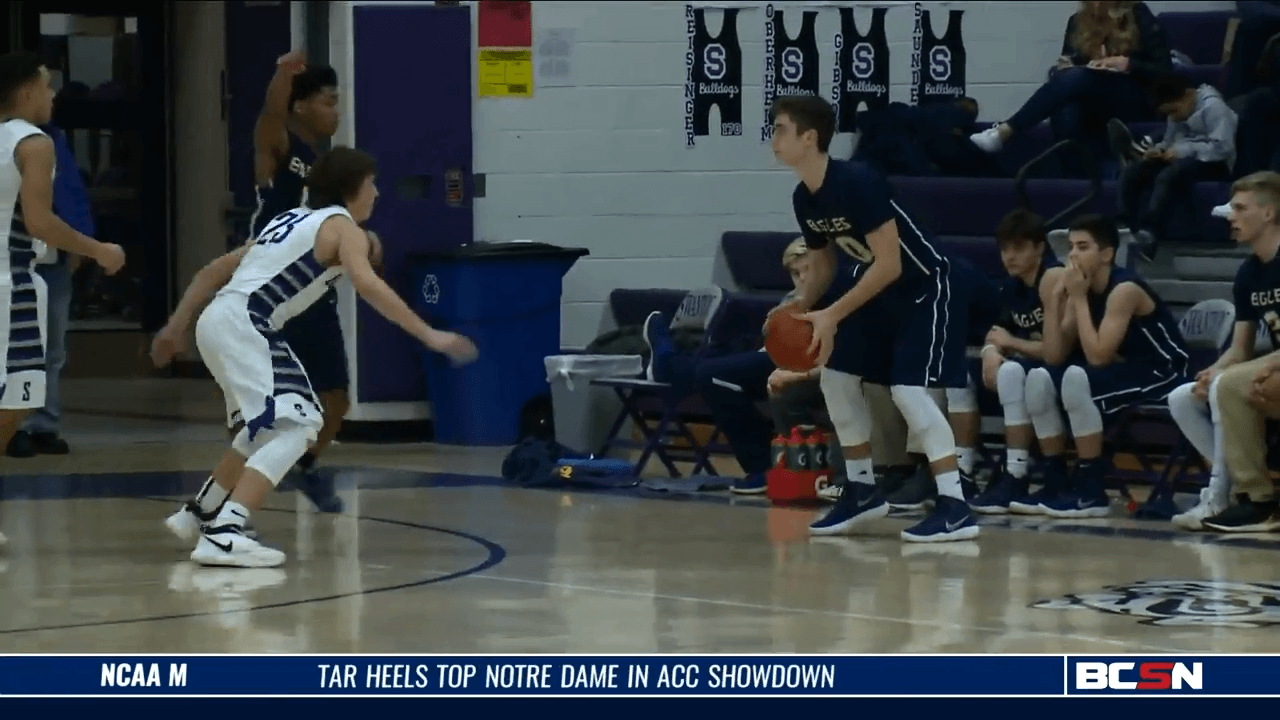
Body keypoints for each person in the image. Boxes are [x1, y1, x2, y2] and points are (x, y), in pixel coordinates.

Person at [151, 146, 476, 568]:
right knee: (302, 423)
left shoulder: (288, 219)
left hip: (217, 320)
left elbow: (211, 272)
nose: (376, 193)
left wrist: (176, 326)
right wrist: (429, 333)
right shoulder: (342, 226)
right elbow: (368, 285)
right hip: (248, 321)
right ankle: (227, 532)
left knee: (264, 429)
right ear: (351, 188)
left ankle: (200, 512)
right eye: (371, 183)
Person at [768, 94, 977, 543]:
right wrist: (799, 308)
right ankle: (861, 489)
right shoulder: (805, 198)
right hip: (879, 295)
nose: (773, 138)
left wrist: (832, 315)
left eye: (781, 128)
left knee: (907, 390)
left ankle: (956, 504)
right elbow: (823, 265)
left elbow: (890, 265)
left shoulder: (858, 181)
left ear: (810, 137)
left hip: (926, 286)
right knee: (836, 377)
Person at [0, 52, 127, 547]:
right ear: (28, 91)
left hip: (12, 283)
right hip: (11, 286)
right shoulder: (34, 143)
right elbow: (38, 222)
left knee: (14, 407)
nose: (53, 96)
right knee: (13, 403)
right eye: (47, 87)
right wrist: (99, 249)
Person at [1022, 214, 1190, 518]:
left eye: (1083, 247)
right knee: (1039, 378)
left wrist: (1078, 300)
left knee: (1076, 377)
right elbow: (1054, 356)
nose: (1072, 255)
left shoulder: (1124, 290)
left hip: (1164, 372)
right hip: (1124, 369)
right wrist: (1053, 302)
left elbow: (1097, 357)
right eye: (1071, 247)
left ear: (1107, 254)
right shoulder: (1081, 287)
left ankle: (1091, 489)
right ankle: (1055, 477)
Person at [248, 50, 347, 506]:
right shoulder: (279, 142)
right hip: (268, 287)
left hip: (311, 289)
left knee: (337, 398)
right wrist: (282, 73)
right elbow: (271, 111)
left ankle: (303, 467)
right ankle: (231, 500)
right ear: (302, 105)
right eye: (329, 101)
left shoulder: (327, 167)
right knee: (257, 404)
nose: (337, 111)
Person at [1176, 172, 1280, 533]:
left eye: (1239, 208)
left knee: (1239, 385)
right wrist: (1213, 371)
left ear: (1268, 213)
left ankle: (1260, 500)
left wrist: (1240, 374)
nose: (1230, 216)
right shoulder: (1249, 273)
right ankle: (1230, 491)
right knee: (1197, 391)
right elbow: (1240, 347)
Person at [969, 1, 1170, 172]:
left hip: (1133, 96)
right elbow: (1066, 68)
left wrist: (1127, 64)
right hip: (1092, 97)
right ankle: (1080, 180)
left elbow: (1165, 71)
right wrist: (1068, 65)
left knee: (1078, 78)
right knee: (1066, 108)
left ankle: (1006, 130)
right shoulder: (1076, 22)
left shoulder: (1138, 13)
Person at [968, 209, 1070, 514]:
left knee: (1011, 370)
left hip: (1070, 367)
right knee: (960, 376)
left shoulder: (1052, 277)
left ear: (1039, 248)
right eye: (1004, 249)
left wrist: (1010, 345)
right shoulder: (1011, 286)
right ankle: (966, 468)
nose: (1009, 256)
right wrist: (989, 354)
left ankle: (1016, 473)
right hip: (1034, 369)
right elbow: (996, 333)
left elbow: (1056, 351)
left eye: (1018, 248)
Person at [6, 123, 94, 458]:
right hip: (15, 259)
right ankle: (16, 425)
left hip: (53, 259)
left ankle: (43, 423)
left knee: (52, 349)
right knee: (16, 350)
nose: (52, 95)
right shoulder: (19, 145)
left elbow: (71, 194)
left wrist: (81, 242)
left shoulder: (53, 139)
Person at [1116, 72, 1237, 260]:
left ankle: (1150, 233)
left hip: (1214, 161)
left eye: (1173, 110)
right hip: (1182, 155)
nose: (1172, 117)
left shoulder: (1214, 108)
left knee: (1168, 176)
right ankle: (1122, 225)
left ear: (1188, 95)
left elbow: (1223, 148)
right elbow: (1169, 140)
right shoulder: (1175, 116)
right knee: (1134, 170)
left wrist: (1184, 151)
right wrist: (1159, 150)